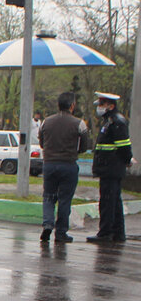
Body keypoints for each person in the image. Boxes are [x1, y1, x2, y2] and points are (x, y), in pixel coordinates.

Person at [38, 92, 89, 243]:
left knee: (48, 197)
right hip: (68, 165)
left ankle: (47, 224)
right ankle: (61, 233)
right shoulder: (79, 123)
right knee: (65, 199)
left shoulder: (46, 122)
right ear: (72, 106)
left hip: (49, 164)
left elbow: (42, 143)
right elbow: (84, 146)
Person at [87, 91, 133, 244]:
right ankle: (117, 233)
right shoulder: (108, 121)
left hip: (111, 169)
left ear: (111, 106)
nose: (99, 107)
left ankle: (105, 233)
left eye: (102, 104)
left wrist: (128, 160)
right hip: (108, 168)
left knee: (108, 202)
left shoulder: (116, 122)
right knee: (114, 202)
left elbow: (124, 147)